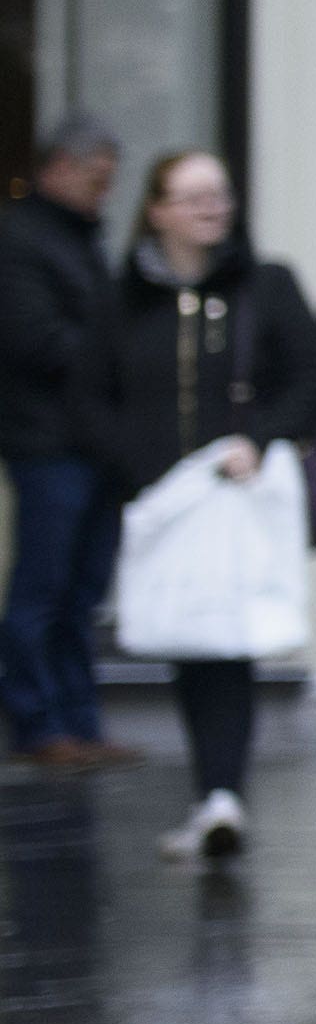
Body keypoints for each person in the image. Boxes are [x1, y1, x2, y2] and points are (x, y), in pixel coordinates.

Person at [77, 150, 316, 855]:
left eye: (218, 196)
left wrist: (261, 439)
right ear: (156, 210)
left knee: (228, 643)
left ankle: (222, 795)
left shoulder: (267, 286)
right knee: (183, 640)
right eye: (192, 198)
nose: (210, 210)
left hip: (235, 496)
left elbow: (313, 378)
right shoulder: (121, 296)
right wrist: (134, 469)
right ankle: (211, 794)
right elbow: (90, 392)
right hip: (160, 502)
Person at [2, 113, 128, 768]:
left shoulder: (83, 240)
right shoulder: (22, 238)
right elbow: (34, 340)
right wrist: (121, 362)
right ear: (59, 167)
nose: (104, 190)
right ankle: (36, 723)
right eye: (96, 176)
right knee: (44, 589)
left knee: (81, 592)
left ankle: (79, 722)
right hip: (47, 444)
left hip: (92, 446)